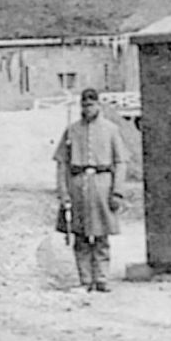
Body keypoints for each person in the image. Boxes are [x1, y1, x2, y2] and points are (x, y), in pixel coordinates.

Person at [54, 87, 129, 293]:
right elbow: (62, 164)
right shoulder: (71, 130)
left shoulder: (111, 129)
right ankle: (85, 279)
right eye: (84, 105)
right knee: (80, 236)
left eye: (92, 104)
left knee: (102, 236)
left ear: (99, 105)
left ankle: (102, 278)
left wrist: (117, 192)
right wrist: (63, 193)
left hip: (102, 185)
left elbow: (121, 162)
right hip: (78, 186)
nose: (88, 109)